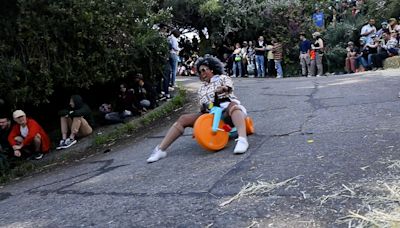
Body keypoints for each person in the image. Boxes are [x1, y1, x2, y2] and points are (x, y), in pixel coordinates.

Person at [147, 56, 250, 163]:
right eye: (199, 72)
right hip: (211, 113)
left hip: (225, 110)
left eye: (204, 70)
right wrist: (199, 125)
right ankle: (161, 149)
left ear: (212, 70)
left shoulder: (222, 78)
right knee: (183, 119)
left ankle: (242, 139)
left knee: (233, 106)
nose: (202, 74)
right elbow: (202, 108)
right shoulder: (201, 89)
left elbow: (228, 86)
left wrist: (223, 89)